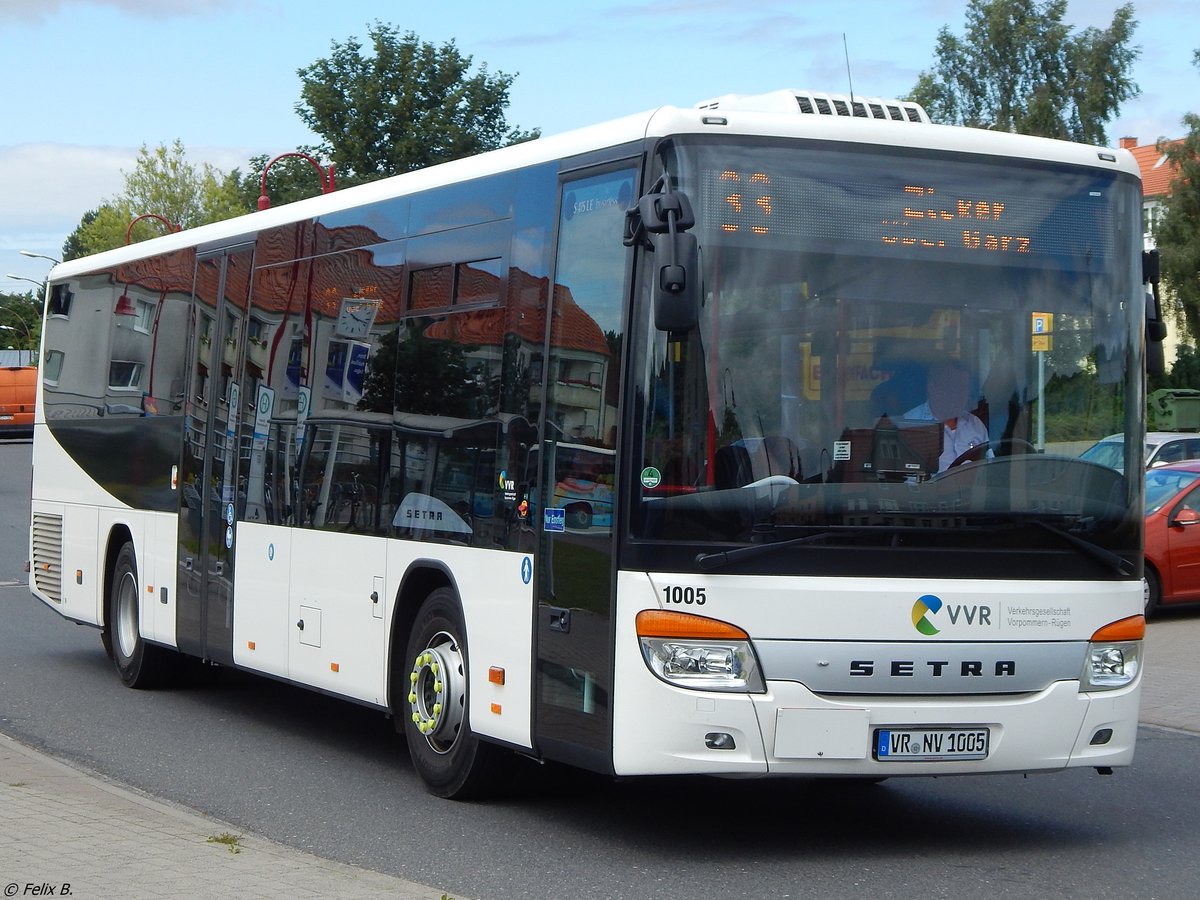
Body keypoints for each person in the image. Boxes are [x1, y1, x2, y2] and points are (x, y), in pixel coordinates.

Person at [904, 361, 990, 472]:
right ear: (932, 388)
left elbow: (989, 469)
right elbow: (906, 481)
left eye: (964, 388)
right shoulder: (909, 425)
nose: (960, 395)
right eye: (953, 388)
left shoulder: (975, 425)